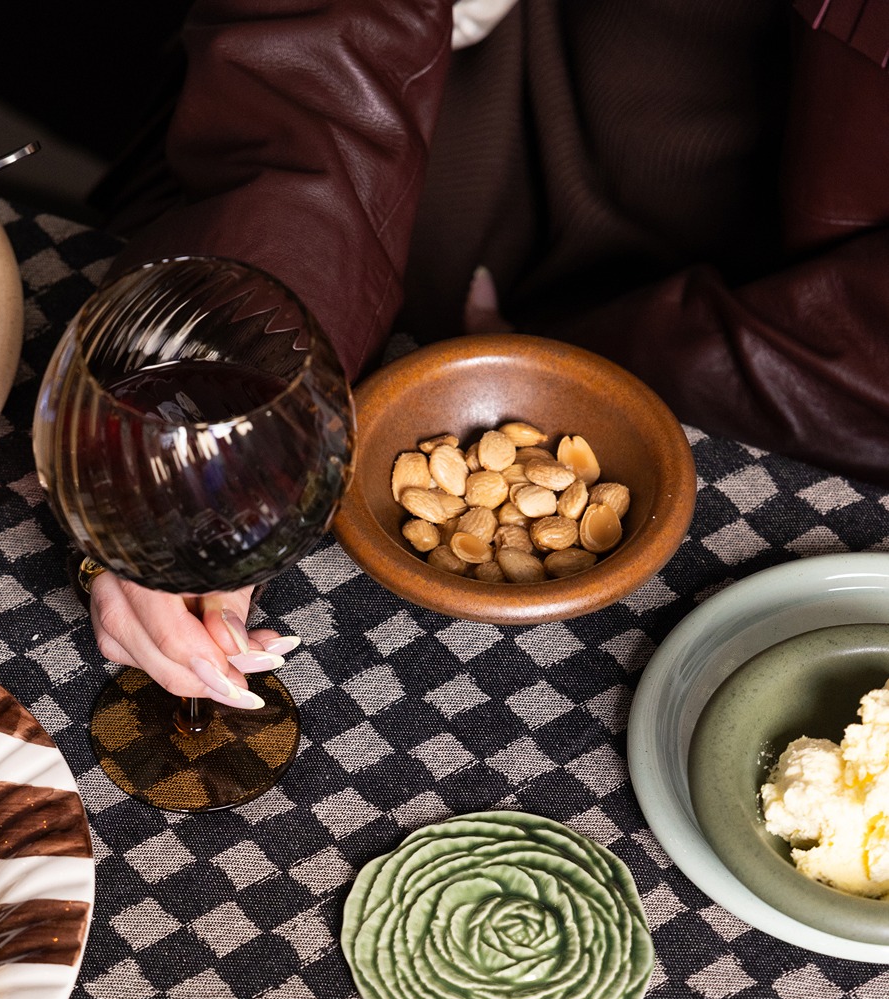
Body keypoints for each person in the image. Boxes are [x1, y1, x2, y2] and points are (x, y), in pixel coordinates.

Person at [86, 0, 889, 700]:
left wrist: (571, 367)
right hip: (456, 110)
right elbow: (310, 70)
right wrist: (238, 388)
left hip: (786, 313)